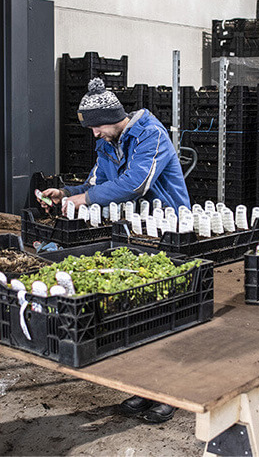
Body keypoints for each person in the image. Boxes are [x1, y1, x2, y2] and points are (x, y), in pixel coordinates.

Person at [38, 77, 189, 424]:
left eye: (96, 127)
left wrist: (86, 198)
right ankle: (145, 386)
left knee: (166, 311)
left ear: (113, 117)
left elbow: (136, 183)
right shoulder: (107, 144)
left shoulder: (151, 134)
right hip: (132, 233)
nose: (94, 134)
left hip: (168, 230)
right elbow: (96, 184)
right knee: (139, 311)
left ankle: (169, 391)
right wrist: (67, 192)